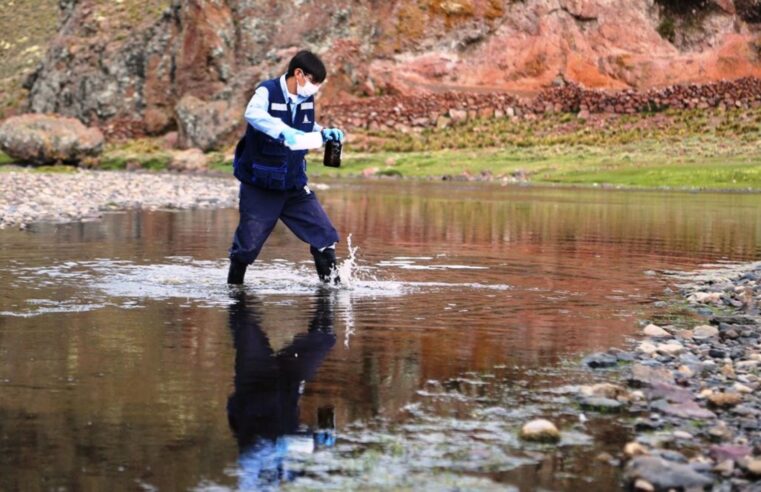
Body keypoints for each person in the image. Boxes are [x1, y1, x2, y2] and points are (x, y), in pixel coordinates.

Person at [227, 50, 345, 285]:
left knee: (324, 235)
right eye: (314, 82)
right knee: (247, 247)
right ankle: (235, 292)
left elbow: (305, 123)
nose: (315, 89)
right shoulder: (267, 91)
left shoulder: (305, 99)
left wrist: (322, 132)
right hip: (260, 185)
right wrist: (283, 131)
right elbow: (253, 114)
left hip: (293, 185)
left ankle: (332, 292)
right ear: (298, 74)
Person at [226, 292, 337, 488]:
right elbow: (303, 458)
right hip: (289, 381)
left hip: (255, 379)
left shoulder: (248, 473)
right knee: (324, 339)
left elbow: (253, 452)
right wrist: (317, 442)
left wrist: (281, 445)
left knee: (244, 322)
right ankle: (326, 296)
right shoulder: (287, 474)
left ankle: (236, 288)